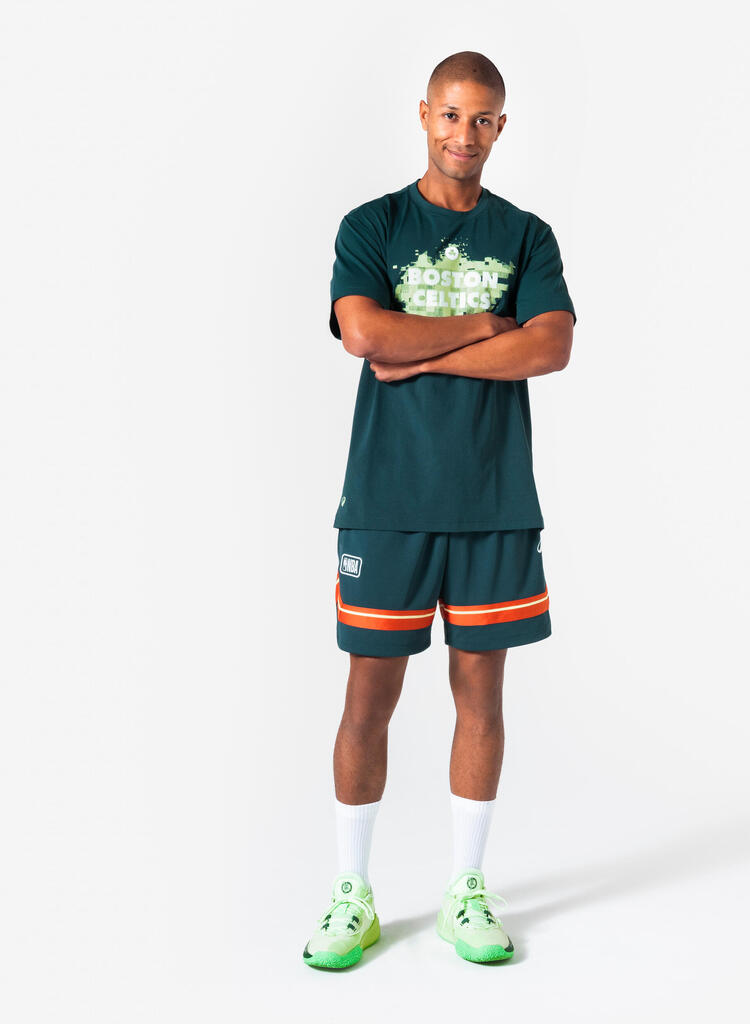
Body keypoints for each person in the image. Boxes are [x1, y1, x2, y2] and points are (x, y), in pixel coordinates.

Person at [302, 50, 576, 969]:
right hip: (386, 499)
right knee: (367, 698)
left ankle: (466, 891)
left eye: (483, 118)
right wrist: (479, 327)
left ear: (501, 127)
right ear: (424, 114)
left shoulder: (526, 236)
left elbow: (549, 348)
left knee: (480, 698)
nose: (465, 134)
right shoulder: (372, 224)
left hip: (493, 500)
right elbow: (362, 330)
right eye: (451, 115)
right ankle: (353, 892)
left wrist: (416, 351)